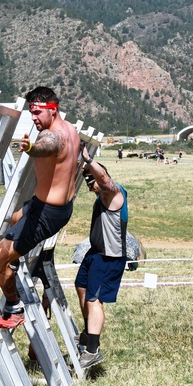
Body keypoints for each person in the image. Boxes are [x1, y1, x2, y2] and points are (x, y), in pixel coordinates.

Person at [0, 87, 81, 330]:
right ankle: (15, 260)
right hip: (47, 206)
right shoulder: (71, 130)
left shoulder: (53, 136)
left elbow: (47, 147)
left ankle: (13, 306)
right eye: (31, 112)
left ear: (53, 110)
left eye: (38, 112)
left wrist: (31, 149)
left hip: (46, 215)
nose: (33, 118)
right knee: (14, 218)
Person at [74, 156, 129, 370]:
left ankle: (92, 350)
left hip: (108, 257)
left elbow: (104, 179)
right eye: (86, 179)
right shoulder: (101, 197)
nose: (90, 182)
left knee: (93, 299)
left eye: (92, 177)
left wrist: (87, 159)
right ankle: (89, 333)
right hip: (95, 254)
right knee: (82, 288)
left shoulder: (113, 192)